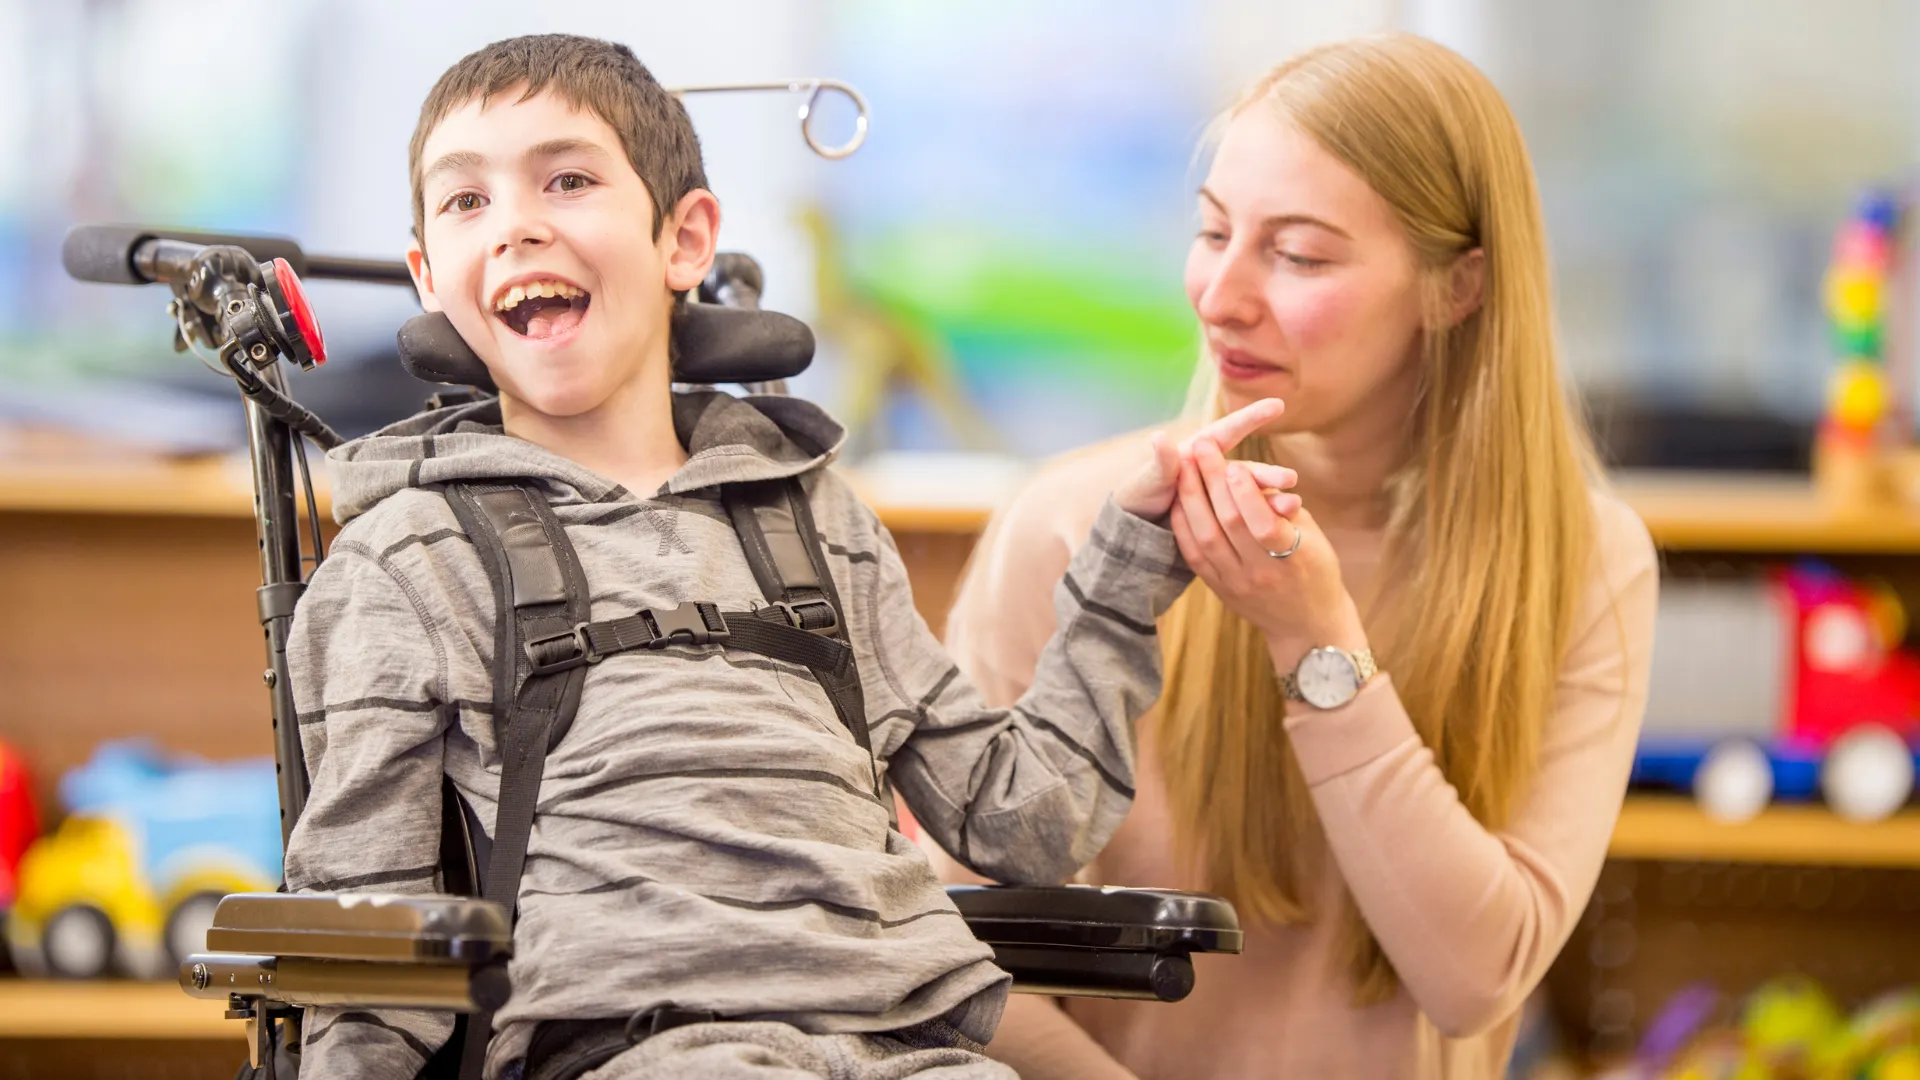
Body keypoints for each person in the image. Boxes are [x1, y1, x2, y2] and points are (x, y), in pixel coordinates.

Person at [281, 33, 1286, 1080]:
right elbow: (364, 952)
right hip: (643, 1047)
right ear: (428, 278)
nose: (518, 225)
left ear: (687, 239)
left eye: (568, 179)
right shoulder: (406, 560)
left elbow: (1023, 824)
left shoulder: (814, 523)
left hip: (910, 1041)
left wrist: (1124, 575)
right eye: (465, 201)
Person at [933, 33, 1660, 1080]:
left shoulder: (1586, 564)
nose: (1220, 296)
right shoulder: (1068, 527)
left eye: (1300, 254)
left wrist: (1316, 644)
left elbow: (1473, 980)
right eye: (1212, 232)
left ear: (1460, 288)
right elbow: (941, 949)